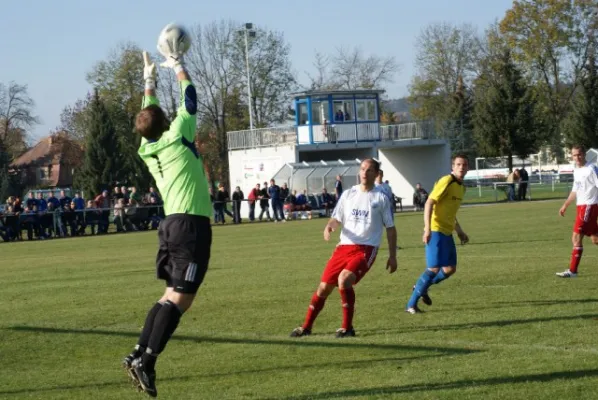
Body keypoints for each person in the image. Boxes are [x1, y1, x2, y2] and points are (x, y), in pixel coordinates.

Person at [121, 45, 213, 397]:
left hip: (170, 224)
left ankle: (138, 352)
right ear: (166, 122)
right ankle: (148, 359)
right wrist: (177, 64)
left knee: (169, 294)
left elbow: (147, 118)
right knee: (181, 299)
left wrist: (148, 80)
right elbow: (190, 97)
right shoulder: (178, 135)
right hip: (190, 225)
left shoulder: (147, 148)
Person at [290, 159, 397, 338]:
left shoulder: (381, 197)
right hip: (343, 247)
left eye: (369, 170)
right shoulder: (348, 194)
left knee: (344, 279)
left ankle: (347, 328)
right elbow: (336, 218)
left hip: (366, 248)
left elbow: (391, 229)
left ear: (376, 174)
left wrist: (393, 256)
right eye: (362, 169)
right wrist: (329, 226)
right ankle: (306, 327)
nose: (364, 173)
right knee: (323, 288)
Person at [406, 154, 470, 314]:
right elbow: (429, 203)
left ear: (467, 168)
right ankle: (411, 305)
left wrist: (459, 230)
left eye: (464, 165)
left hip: (447, 232)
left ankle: (422, 287)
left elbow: (450, 211)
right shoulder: (446, 181)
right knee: (433, 268)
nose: (461, 167)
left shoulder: (462, 187)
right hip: (435, 230)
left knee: (450, 269)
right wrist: (427, 228)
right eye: (458, 164)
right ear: (453, 167)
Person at [556, 145, 598, 278]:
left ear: (584, 154)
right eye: (574, 155)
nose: (577, 157)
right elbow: (575, 190)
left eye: (579, 154)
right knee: (595, 239)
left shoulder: (591, 169)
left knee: (575, 238)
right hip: (581, 207)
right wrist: (565, 204)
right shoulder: (576, 170)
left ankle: (573, 271)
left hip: (589, 206)